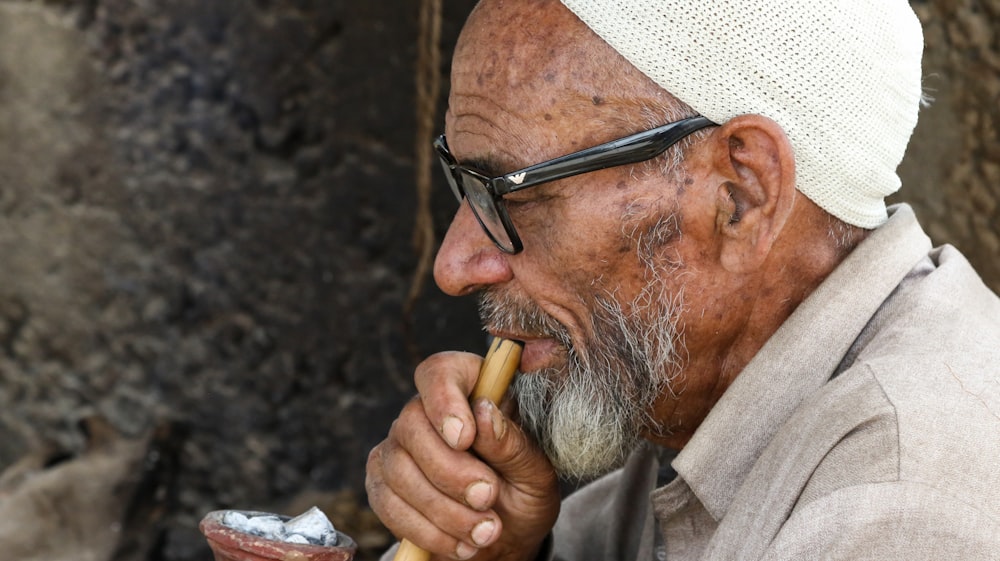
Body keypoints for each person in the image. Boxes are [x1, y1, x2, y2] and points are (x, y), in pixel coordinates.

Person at [365, 0, 1000, 559]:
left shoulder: (896, 505)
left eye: (513, 196)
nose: (454, 266)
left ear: (741, 197)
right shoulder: (689, 402)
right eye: (465, 184)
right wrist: (502, 550)